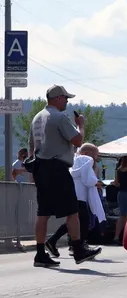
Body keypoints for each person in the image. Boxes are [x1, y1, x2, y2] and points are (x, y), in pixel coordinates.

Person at [29, 85, 100, 267]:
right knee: (72, 210)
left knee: (43, 212)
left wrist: (34, 172)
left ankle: (40, 254)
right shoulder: (59, 117)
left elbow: (31, 146)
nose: (67, 101)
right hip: (57, 167)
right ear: (58, 98)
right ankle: (78, 250)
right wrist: (81, 125)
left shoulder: (37, 118)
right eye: (65, 98)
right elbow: (77, 140)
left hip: (40, 166)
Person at [45, 143, 105, 257]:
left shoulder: (74, 160)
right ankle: (78, 247)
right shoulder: (87, 160)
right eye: (95, 155)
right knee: (83, 221)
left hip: (72, 194)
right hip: (79, 196)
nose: (96, 158)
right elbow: (89, 180)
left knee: (74, 221)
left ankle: (57, 242)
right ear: (87, 154)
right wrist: (96, 182)